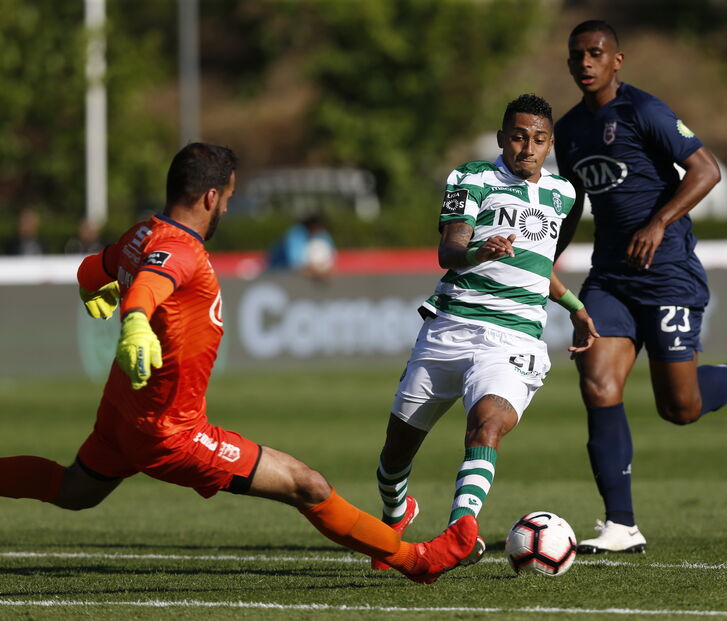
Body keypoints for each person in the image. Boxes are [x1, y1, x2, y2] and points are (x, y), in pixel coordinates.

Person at [0, 143, 480, 585]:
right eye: (228, 196)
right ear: (210, 196)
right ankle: (417, 561)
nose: (228, 207)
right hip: (172, 431)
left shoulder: (141, 232)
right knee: (306, 484)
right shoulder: (182, 250)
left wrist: (95, 288)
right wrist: (135, 322)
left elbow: (92, 268)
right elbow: (150, 283)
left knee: (73, 489)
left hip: (122, 414)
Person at [552, 20, 727, 554]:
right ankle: (621, 524)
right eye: (577, 56)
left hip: (667, 274)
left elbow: (705, 171)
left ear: (618, 60)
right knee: (597, 385)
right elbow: (573, 203)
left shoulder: (645, 111)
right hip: (610, 277)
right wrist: (547, 254)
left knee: (679, 408)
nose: (585, 63)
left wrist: (658, 223)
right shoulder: (568, 132)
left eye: (595, 53)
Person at [370, 94, 599, 571]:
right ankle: (397, 514)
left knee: (487, 424)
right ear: (502, 138)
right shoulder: (471, 177)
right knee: (395, 454)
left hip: (515, 338)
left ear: (550, 143)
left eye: (538, 139)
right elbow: (449, 251)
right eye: (517, 137)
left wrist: (574, 306)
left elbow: (538, 266)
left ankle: (460, 531)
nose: (527, 148)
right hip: (451, 327)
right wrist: (479, 252)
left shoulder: (563, 193)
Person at [267, 214, 336, 281]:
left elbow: (331, 259)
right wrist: (317, 271)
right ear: (312, 226)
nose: (320, 232)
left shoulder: (323, 235)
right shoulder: (296, 235)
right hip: (279, 271)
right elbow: (296, 265)